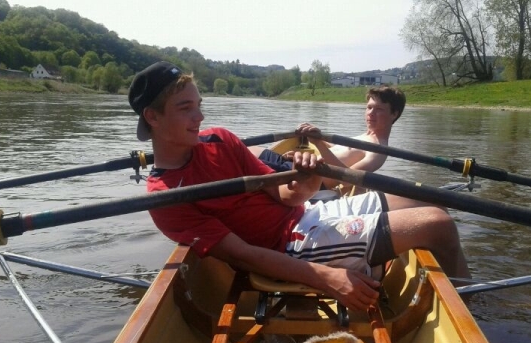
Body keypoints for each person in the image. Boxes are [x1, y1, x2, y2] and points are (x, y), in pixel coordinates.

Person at [128, 61, 470, 312]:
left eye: (199, 106)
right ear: (153, 117)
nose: (199, 118)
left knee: (423, 197)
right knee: (437, 225)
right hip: (288, 245)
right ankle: (475, 314)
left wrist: (307, 179)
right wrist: (326, 278)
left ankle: (465, 297)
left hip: (307, 213)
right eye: (185, 109)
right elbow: (241, 255)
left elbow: (286, 195)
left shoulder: (219, 139)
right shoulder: (165, 197)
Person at [251, 86, 429, 210]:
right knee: (245, 151)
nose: (370, 113)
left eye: (379, 109)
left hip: (306, 179)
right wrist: (315, 138)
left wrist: (319, 144)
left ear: (394, 114)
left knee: (242, 154)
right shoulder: (364, 137)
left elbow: (345, 179)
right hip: (299, 165)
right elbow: (336, 151)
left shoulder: (379, 151)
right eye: (369, 107)